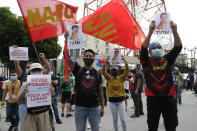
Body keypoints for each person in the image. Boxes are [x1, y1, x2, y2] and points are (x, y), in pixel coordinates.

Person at [140, 21, 182, 131]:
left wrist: (174, 31)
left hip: (169, 98)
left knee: (171, 126)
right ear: (150, 51)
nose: (157, 49)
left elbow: (178, 47)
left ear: (162, 50)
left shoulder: (167, 59)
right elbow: (143, 49)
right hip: (153, 99)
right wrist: (150, 32)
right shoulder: (146, 61)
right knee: (152, 126)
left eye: (159, 47)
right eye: (154, 48)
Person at [68, 49, 104, 131]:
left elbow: (101, 92)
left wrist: (102, 107)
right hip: (80, 107)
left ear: (94, 59)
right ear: (83, 57)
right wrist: (66, 41)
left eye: (90, 56)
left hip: (94, 108)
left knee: (96, 129)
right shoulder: (77, 69)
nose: (88, 57)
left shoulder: (97, 73)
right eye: (86, 56)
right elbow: (67, 59)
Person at [17, 63, 52, 131]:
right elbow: (18, 102)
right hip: (30, 114)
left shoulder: (47, 84)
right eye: (34, 70)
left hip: (44, 114)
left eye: (38, 70)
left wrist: (52, 93)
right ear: (30, 72)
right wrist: (23, 93)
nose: (36, 72)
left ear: (42, 72)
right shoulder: (25, 84)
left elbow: (52, 100)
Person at [101, 56, 129, 131]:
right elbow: (103, 72)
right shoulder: (109, 79)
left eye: (115, 70)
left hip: (121, 101)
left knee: (123, 119)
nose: (114, 71)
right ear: (110, 71)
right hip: (112, 102)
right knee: (115, 120)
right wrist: (105, 62)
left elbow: (127, 71)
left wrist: (125, 61)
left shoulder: (121, 78)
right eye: (112, 70)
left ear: (118, 71)